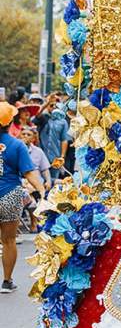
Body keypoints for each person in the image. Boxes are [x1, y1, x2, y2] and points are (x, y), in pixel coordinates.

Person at [0, 103, 43, 292]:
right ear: (10, 122)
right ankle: (7, 281)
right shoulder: (17, 145)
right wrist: (41, 190)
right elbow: (29, 173)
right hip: (10, 195)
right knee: (8, 240)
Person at [34, 94, 71, 181]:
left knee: (54, 182)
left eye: (56, 105)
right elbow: (37, 114)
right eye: (51, 105)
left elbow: (64, 139)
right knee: (41, 180)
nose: (53, 107)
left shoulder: (63, 122)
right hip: (42, 155)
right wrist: (47, 103)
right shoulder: (44, 118)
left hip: (55, 156)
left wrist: (62, 156)